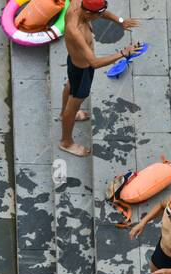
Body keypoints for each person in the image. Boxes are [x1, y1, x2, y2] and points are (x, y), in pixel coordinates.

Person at [58, 0, 140, 157]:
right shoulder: (75, 30)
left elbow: (101, 11)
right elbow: (94, 63)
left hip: (75, 62)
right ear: (88, 13)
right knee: (75, 101)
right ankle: (66, 142)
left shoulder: (79, 4)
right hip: (82, 69)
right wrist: (123, 53)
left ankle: (64, 114)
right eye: (98, 15)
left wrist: (120, 21)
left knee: (71, 85)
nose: (101, 17)